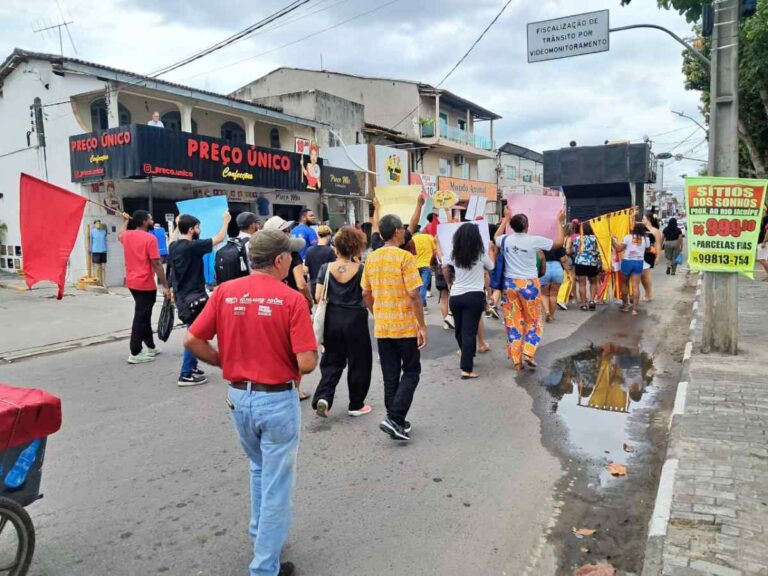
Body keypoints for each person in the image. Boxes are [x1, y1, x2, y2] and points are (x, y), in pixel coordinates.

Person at [184, 229, 317, 576]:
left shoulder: (225, 292)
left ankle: (262, 535)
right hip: (276, 400)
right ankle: (264, 567)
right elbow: (306, 362)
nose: (293, 260)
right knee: (276, 485)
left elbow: (192, 340)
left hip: (239, 398)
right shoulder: (291, 299)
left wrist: (224, 363)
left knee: (259, 468)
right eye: (290, 255)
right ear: (280, 260)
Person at [362, 213, 427, 441]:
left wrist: (376, 312)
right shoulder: (405, 257)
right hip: (405, 326)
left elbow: (365, 292)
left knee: (390, 375)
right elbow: (414, 295)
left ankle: (394, 420)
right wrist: (422, 326)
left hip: (383, 326)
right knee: (411, 372)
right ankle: (395, 417)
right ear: (398, 231)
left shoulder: (371, 258)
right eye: (402, 230)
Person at [494, 206, 565, 370]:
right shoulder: (534, 240)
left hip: (509, 284)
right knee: (533, 320)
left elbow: (495, 236)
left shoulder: (505, 239)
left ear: (512, 226)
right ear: (527, 226)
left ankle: (516, 360)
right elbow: (559, 243)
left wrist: (505, 218)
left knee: (513, 321)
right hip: (529, 285)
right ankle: (528, 352)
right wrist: (559, 222)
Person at [312, 227, 372, 419]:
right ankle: (356, 404)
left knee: (332, 360)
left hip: (332, 318)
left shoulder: (326, 268)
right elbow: (366, 293)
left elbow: (318, 296)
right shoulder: (361, 269)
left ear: (336, 247)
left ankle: (324, 397)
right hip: (355, 319)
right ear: (356, 248)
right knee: (359, 362)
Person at [168, 211, 231, 386]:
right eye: (197, 227)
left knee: (195, 331)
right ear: (191, 229)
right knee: (195, 335)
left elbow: (172, 239)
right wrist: (226, 221)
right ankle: (186, 374)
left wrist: (176, 224)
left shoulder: (174, 246)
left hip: (182, 296)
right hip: (193, 296)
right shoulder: (192, 246)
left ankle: (193, 366)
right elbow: (219, 238)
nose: (200, 230)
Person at [118, 210, 171, 364]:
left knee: (144, 315)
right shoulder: (150, 238)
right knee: (141, 317)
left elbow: (120, 234)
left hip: (132, 282)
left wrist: (125, 221)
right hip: (145, 283)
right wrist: (165, 285)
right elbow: (156, 263)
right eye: (150, 218)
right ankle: (135, 352)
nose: (152, 220)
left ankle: (150, 346)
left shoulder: (127, 235)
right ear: (143, 221)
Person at [443, 223, 494, 379]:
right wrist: (491, 251)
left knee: (459, 330)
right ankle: (466, 368)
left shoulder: (454, 253)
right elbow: (491, 266)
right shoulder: (480, 254)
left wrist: (449, 283)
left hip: (456, 296)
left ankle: (467, 353)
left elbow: (444, 264)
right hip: (474, 296)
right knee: (469, 332)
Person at [264, 216, 313, 310]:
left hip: (270, 301)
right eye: (286, 230)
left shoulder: (264, 254)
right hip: (292, 302)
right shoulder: (292, 252)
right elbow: (301, 284)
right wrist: (309, 299)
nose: (289, 233)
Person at [613, 222, 650, 316]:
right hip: (638, 262)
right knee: (636, 286)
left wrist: (612, 241)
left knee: (625, 284)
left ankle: (625, 306)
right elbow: (648, 249)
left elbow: (618, 249)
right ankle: (635, 309)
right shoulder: (646, 239)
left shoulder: (628, 237)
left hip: (627, 262)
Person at [572, 222, 601, 311]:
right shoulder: (595, 238)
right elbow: (599, 250)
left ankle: (584, 304)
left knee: (582, 284)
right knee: (593, 283)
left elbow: (575, 250)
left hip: (580, 262)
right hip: (592, 263)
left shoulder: (578, 238)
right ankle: (592, 301)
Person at [303, 225, 336, 299]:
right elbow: (333, 270)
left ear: (318, 235)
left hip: (313, 286)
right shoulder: (330, 251)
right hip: (326, 286)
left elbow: (305, 270)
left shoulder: (309, 250)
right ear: (328, 236)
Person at [540, 243, 567, 322]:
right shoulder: (557, 244)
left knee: (544, 294)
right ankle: (551, 316)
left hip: (544, 267)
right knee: (553, 295)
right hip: (557, 268)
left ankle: (547, 312)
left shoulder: (540, 243)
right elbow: (563, 259)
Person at [412, 225, 437, 308]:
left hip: (415, 266)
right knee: (423, 287)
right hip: (426, 265)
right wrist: (431, 262)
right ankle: (422, 305)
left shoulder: (411, 239)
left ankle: (423, 304)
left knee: (418, 287)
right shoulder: (429, 237)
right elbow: (435, 251)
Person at [641, 216, 661, 302]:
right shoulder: (641, 229)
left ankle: (648, 293)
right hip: (640, 253)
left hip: (649, 254)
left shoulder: (655, 231)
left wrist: (658, 257)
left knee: (645, 275)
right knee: (641, 276)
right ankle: (647, 292)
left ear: (649, 219)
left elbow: (658, 244)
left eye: (644, 219)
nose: (642, 220)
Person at [90, 220, 108, 286]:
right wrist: (90, 250)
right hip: (95, 251)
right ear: (94, 224)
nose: (98, 224)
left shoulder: (103, 232)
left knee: (103, 268)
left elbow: (105, 241)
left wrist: (106, 249)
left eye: (99, 223)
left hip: (103, 251)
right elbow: (90, 241)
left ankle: (103, 283)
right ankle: (97, 282)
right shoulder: (92, 232)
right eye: (97, 223)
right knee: (97, 268)